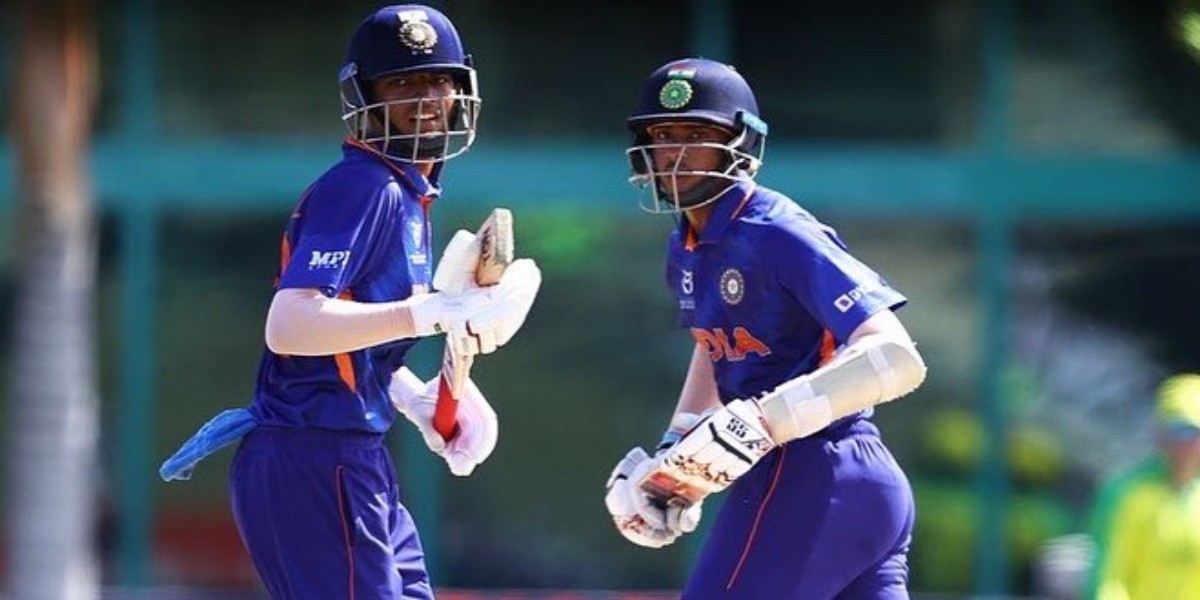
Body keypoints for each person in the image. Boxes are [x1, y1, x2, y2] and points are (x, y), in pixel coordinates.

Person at [158, 5, 540, 599]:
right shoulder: (366, 186)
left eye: (438, 82)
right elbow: (290, 325)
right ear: (366, 97)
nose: (425, 100)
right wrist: (428, 313)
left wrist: (415, 399)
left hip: (351, 454)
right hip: (311, 455)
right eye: (402, 84)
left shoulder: (407, 194)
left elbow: (350, 340)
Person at [602, 58, 928, 600]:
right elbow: (715, 345)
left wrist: (765, 420)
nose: (676, 153)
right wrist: (677, 454)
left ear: (741, 144)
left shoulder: (778, 232)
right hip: (835, 488)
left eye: (697, 136)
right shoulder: (684, 248)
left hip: (813, 472)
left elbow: (894, 357)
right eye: (662, 136)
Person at [1087, 373, 1200, 600]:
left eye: (1194, 432)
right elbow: (1109, 577)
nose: (1186, 443)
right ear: (1159, 433)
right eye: (1178, 430)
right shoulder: (1126, 492)